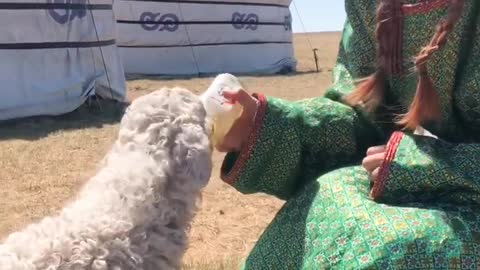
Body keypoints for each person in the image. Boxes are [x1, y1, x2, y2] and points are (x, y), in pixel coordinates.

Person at [217, 0, 480, 269]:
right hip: (432, 184)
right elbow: (364, 119)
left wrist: (433, 165)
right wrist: (266, 125)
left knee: (405, 244)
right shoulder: (370, 4)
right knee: (329, 199)